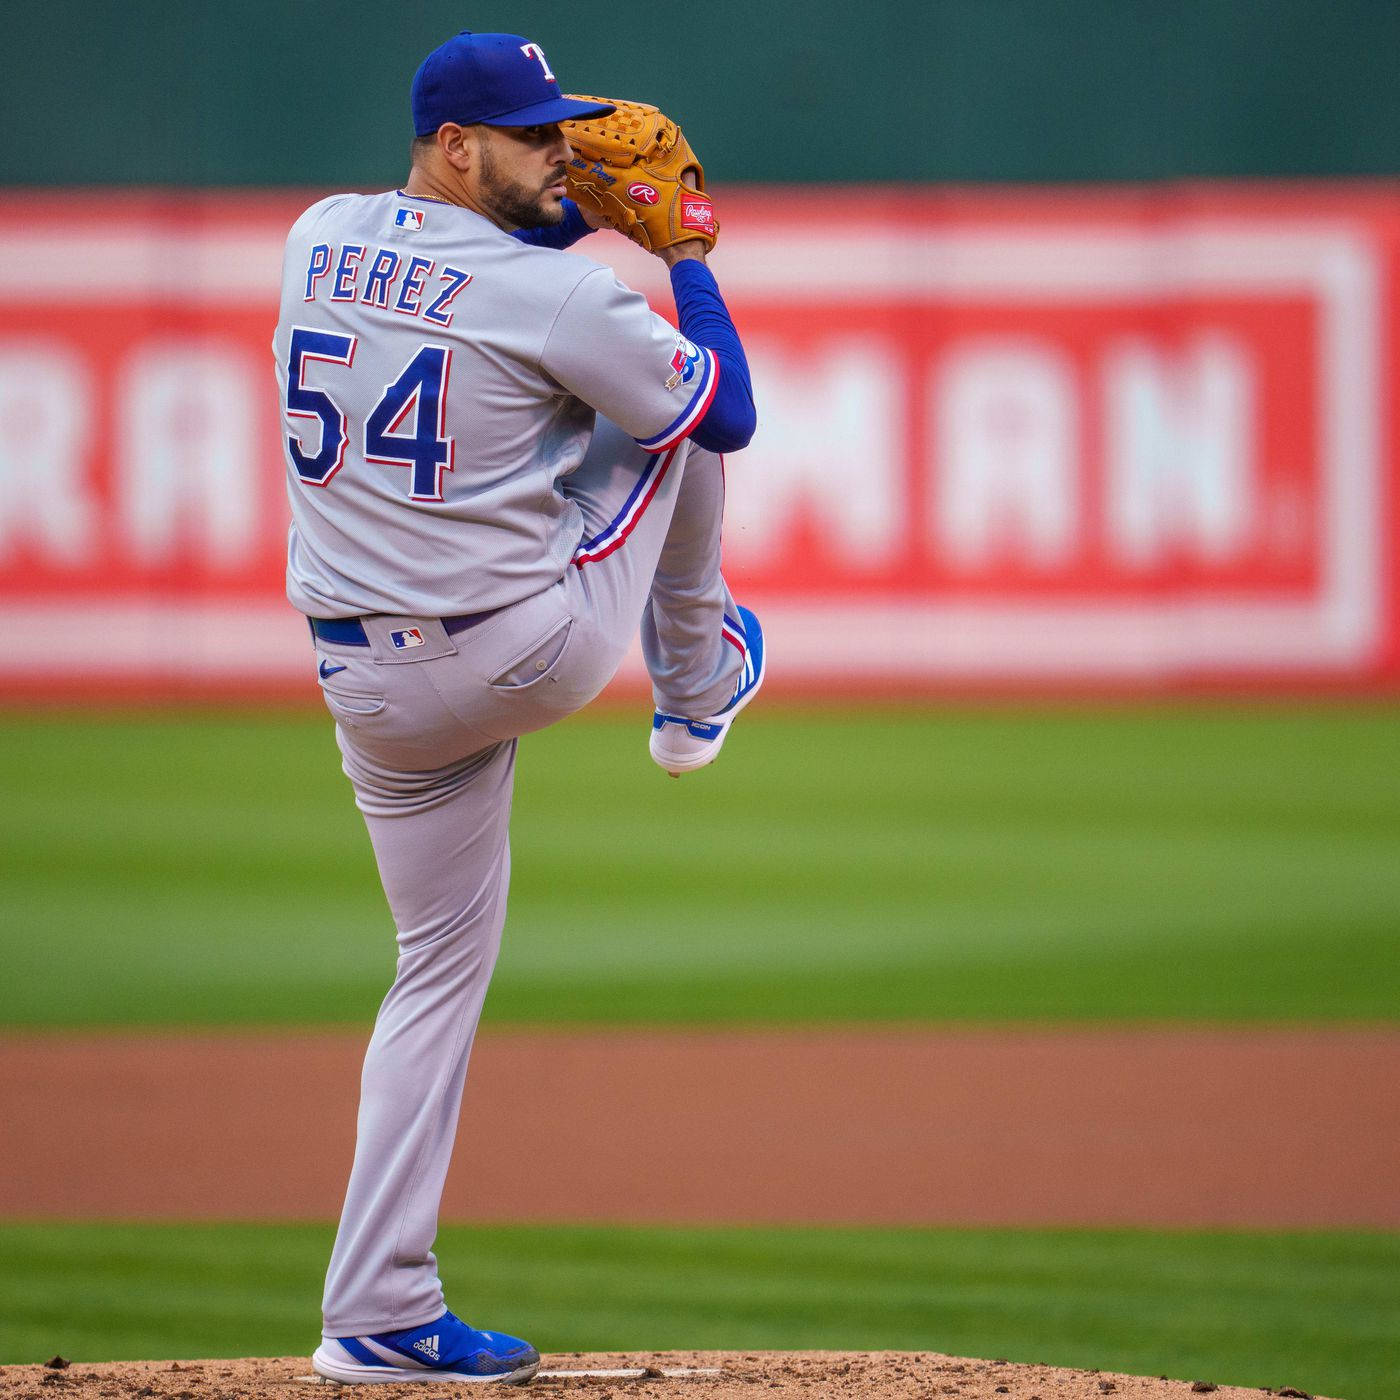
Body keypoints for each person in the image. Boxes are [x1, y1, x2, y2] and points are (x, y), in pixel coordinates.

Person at [272, 30, 763, 1388]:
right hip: (516, 651)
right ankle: (697, 685)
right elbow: (727, 419)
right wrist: (685, 258)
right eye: (536, 135)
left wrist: (553, 223)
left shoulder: (314, 237)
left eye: (564, 129)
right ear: (453, 145)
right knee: (676, 411)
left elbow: (462, 293)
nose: (568, 153)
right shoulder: (558, 297)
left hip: (363, 690)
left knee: (433, 972)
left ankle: (373, 1310)